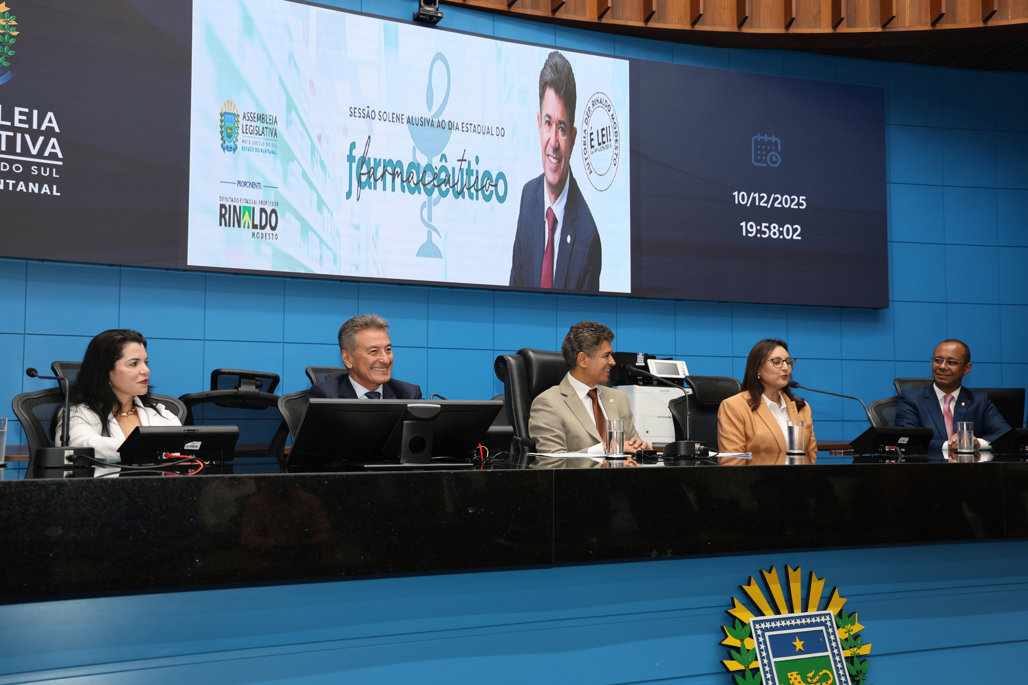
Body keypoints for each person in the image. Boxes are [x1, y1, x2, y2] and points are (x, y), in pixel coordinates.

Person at [508, 50, 601, 292]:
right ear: (539, 124)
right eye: (548, 123)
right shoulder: (528, 197)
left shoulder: (588, 237)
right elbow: (513, 293)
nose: (554, 142)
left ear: (573, 137)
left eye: (561, 128)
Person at [528, 321, 651, 468]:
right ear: (582, 359)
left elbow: (633, 450)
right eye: (606, 355)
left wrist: (642, 450)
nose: (613, 362)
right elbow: (552, 464)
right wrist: (603, 449)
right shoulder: (548, 403)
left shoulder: (619, 399)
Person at [64, 329, 181, 464]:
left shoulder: (162, 414)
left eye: (146, 362)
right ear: (105, 371)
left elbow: (182, 453)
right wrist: (149, 448)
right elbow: (80, 446)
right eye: (134, 364)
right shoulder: (76, 414)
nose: (146, 371)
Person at [894, 339, 1010, 459]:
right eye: (938, 360)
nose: (942, 366)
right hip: (928, 468)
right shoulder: (911, 399)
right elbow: (907, 440)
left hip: (970, 468)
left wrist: (976, 443)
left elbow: (1006, 435)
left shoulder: (979, 401)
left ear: (967, 368)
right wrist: (949, 445)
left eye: (951, 362)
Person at [718, 338, 817, 465]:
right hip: (755, 478)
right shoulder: (735, 406)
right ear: (757, 368)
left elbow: (810, 455)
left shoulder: (801, 408)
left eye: (788, 362)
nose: (786, 368)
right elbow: (732, 463)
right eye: (777, 362)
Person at [309, 314, 422, 400]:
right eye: (374, 351)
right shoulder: (326, 397)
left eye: (388, 349)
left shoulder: (408, 395)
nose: (385, 360)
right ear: (347, 358)